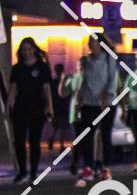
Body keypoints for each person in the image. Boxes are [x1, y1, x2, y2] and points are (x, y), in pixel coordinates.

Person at [7, 37, 53, 183]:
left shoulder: (42, 67)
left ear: (34, 49)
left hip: (37, 108)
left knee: (34, 141)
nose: (27, 52)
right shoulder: (17, 68)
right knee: (19, 140)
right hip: (20, 108)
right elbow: (13, 89)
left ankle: (33, 172)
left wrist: (49, 107)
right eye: (24, 50)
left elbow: (47, 89)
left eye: (29, 49)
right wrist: (8, 107)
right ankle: (22, 171)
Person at [77, 34, 118, 184]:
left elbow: (112, 80)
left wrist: (106, 98)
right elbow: (84, 80)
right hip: (89, 102)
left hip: (106, 102)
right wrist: (79, 97)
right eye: (89, 42)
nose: (91, 45)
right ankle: (88, 167)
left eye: (93, 42)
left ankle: (105, 168)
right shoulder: (86, 61)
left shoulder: (108, 59)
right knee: (87, 136)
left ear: (100, 44)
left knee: (105, 135)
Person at [59, 57, 85, 175]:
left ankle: (89, 164)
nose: (81, 67)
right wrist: (63, 81)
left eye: (83, 64)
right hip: (75, 113)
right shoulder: (74, 78)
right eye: (79, 64)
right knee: (77, 138)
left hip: (89, 111)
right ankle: (75, 163)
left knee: (88, 139)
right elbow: (63, 93)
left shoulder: (92, 78)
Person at [47, 63, 70, 151]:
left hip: (55, 107)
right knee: (63, 127)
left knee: (56, 127)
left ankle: (52, 138)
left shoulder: (53, 82)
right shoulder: (65, 82)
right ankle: (61, 145)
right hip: (63, 106)